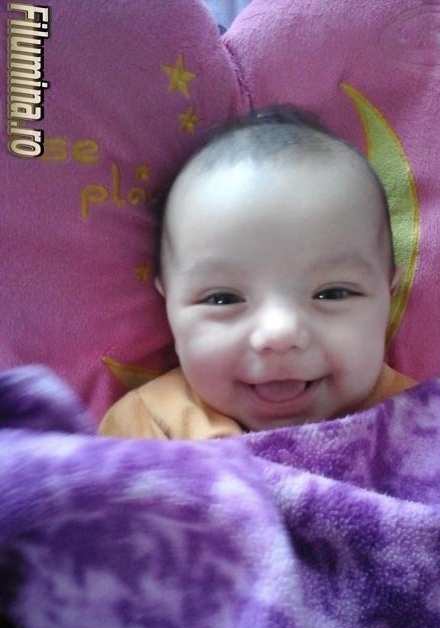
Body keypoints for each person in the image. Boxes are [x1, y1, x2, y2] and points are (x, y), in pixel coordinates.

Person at [99, 105, 417, 439]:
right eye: (223, 299)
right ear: (169, 305)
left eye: (332, 294)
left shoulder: (419, 416)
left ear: (388, 296)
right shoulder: (151, 427)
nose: (279, 334)